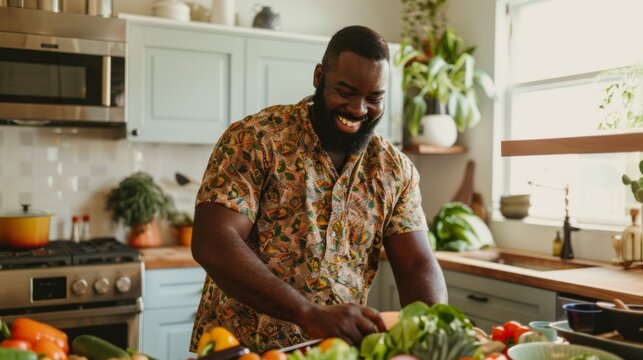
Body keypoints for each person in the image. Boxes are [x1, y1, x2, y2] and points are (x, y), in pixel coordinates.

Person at [189, 25, 448, 353]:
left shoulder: (392, 169)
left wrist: (433, 336)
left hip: (330, 353)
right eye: (346, 91)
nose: (358, 109)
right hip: (240, 349)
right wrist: (308, 313)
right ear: (319, 77)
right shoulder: (256, 138)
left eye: (374, 98)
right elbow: (213, 242)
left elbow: (416, 265)